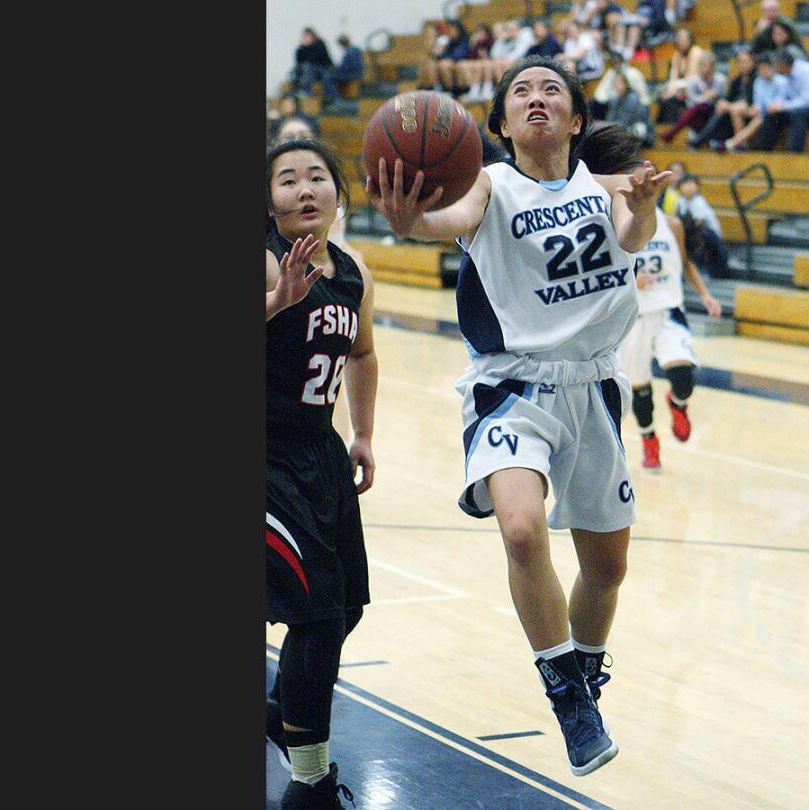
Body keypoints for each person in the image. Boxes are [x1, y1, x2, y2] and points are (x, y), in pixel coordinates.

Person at [365, 54, 670, 777]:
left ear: (577, 118)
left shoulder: (610, 186)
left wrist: (648, 204)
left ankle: (586, 673)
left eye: (552, 90)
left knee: (607, 568)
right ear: (500, 124)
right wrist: (412, 223)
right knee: (523, 528)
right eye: (521, 92)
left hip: (593, 386)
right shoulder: (488, 186)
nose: (537, 98)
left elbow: (631, 235)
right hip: (512, 388)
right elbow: (451, 220)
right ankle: (565, 694)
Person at [265, 137, 378, 809]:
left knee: (347, 606)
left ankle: (280, 709)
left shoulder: (354, 269)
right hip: (264, 456)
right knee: (316, 612)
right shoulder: (264, 254)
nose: (304, 188)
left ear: (338, 193)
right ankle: (310, 781)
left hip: (321, 454)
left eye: (317, 176)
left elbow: (362, 353)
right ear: (268, 199)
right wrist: (278, 298)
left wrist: (362, 433)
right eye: (286, 180)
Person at [576, 124, 721, 470]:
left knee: (683, 375)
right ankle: (650, 440)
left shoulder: (671, 224)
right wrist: (628, 276)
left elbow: (685, 264)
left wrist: (706, 296)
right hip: (634, 315)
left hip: (668, 308)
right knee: (639, 389)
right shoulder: (613, 217)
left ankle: (679, 403)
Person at [687, 47, 757, 151]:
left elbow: (751, 101)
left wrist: (729, 105)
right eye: (741, 62)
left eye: (746, 61)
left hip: (750, 111)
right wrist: (722, 102)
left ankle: (703, 139)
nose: (743, 64)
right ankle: (712, 140)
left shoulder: (756, 79)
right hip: (733, 110)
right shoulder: (737, 81)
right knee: (720, 107)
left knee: (731, 109)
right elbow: (729, 97)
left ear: (753, 62)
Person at [752, 49, 809, 152]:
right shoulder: (784, 75)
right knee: (772, 115)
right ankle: (763, 150)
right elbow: (784, 96)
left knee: (798, 114)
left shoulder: (807, 71)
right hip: (793, 108)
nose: (775, 68)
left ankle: (793, 154)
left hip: (807, 109)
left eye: (776, 66)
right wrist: (776, 105)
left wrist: (783, 106)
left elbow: (808, 100)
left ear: (783, 65)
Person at [659, 51, 724, 143]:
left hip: (714, 114)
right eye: (703, 65)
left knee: (696, 109)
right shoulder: (693, 80)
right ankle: (701, 140)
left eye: (709, 66)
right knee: (692, 110)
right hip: (697, 114)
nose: (706, 68)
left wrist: (709, 97)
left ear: (713, 67)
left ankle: (671, 133)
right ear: (699, 66)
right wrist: (706, 97)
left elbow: (722, 98)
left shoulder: (720, 80)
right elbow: (692, 100)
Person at [674, 173, 730, 277]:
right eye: (685, 184)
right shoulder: (680, 201)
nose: (689, 187)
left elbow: (697, 223)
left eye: (692, 184)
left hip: (708, 235)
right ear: (680, 187)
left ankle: (703, 268)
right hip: (692, 233)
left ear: (697, 186)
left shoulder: (698, 202)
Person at [655, 28, 706, 124]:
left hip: (696, 89)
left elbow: (692, 78)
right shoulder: (677, 55)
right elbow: (673, 77)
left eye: (684, 39)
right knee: (662, 98)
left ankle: (673, 128)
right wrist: (670, 91)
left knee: (672, 101)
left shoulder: (697, 53)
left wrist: (675, 93)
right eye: (679, 39)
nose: (681, 42)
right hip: (681, 90)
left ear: (690, 40)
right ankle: (663, 127)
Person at [322, 35, 365, 110]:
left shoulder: (351, 51)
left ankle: (335, 100)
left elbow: (351, 65)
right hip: (352, 72)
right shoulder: (354, 49)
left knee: (328, 78)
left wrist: (337, 68)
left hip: (352, 73)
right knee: (330, 74)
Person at [289, 28, 334, 99]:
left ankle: (306, 92)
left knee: (307, 67)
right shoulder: (303, 47)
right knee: (297, 71)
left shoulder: (319, 43)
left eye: (308, 35)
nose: (307, 37)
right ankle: (294, 94)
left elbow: (316, 58)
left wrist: (307, 47)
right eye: (305, 36)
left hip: (322, 67)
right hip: (310, 69)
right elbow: (298, 61)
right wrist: (301, 47)